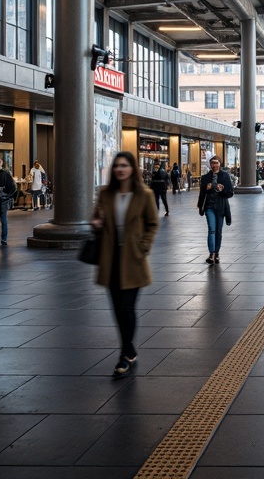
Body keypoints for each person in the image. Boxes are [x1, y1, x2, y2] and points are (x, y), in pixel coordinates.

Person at [92, 151, 159, 377]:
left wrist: (143, 246)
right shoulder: (105, 195)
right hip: (110, 260)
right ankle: (129, 349)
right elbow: (96, 222)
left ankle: (125, 354)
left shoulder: (144, 194)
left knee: (127, 309)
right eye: (117, 166)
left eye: (124, 165)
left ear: (132, 169)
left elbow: (152, 223)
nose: (120, 169)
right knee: (117, 310)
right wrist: (96, 223)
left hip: (133, 260)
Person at [197, 155, 234, 263]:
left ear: (220, 164)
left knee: (218, 230)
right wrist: (200, 206)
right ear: (210, 164)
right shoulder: (205, 178)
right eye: (212, 163)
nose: (214, 165)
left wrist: (221, 190)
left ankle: (217, 253)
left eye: (216, 163)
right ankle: (211, 254)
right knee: (211, 229)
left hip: (221, 207)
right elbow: (202, 194)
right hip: (209, 207)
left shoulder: (225, 176)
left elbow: (230, 193)